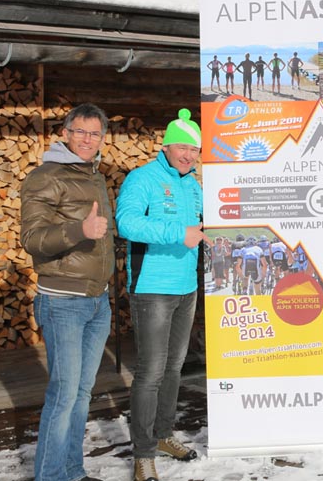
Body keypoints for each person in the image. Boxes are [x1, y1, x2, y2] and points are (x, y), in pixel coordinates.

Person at [20, 103, 114, 481]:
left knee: (81, 394)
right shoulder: (46, 176)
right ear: (65, 133)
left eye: (95, 133)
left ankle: (72, 472)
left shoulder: (94, 175)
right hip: (63, 302)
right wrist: (80, 231)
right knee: (63, 396)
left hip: (97, 300)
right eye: (80, 131)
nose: (87, 139)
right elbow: (32, 239)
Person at [116, 108, 206, 481]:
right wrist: (178, 233)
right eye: (182, 147)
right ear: (166, 146)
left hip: (187, 288)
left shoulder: (194, 185)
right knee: (150, 372)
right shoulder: (143, 179)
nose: (188, 155)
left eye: (194, 149)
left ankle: (164, 434)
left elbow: (198, 227)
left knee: (173, 368)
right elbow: (126, 222)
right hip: (152, 288)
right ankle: (143, 453)